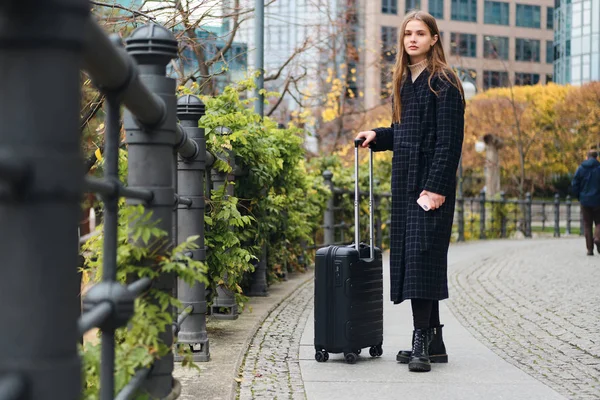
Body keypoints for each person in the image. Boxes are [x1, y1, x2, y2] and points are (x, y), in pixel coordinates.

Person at [355, 10, 464, 373]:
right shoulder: (405, 81)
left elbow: (449, 142)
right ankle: (436, 342)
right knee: (418, 260)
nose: (412, 39)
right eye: (407, 34)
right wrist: (377, 135)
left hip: (431, 186)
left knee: (420, 259)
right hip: (404, 184)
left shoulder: (443, 81)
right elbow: (402, 132)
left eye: (420, 33)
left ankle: (421, 340)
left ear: (434, 39)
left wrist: (435, 189)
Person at [571, 149, 600, 256]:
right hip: (598, 200)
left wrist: (579, 196)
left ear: (587, 157)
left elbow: (575, 184)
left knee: (587, 224)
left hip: (585, 201)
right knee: (599, 222)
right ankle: (597, 238)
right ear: (596, 157)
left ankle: (589, 249)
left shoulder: (581, 169)